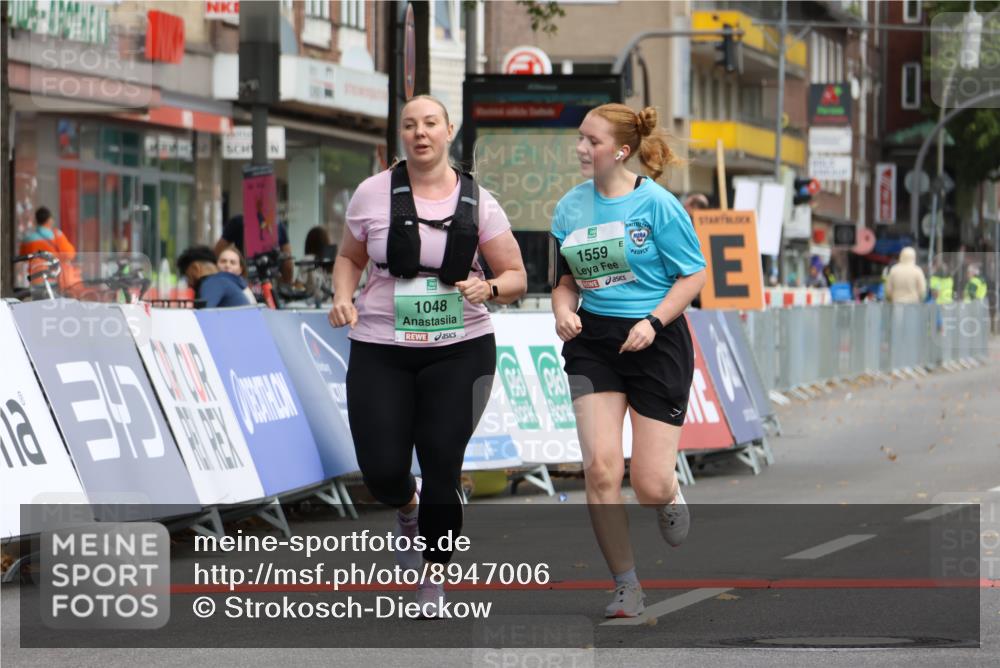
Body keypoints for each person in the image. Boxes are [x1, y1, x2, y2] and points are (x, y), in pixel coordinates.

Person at [327, 95, 526, 617]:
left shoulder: (480, 201)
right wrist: (342, 296)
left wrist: (493, 289)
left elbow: (516, 276)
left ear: (448, 130)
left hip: (461, 349)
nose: (420, 133)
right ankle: (407, 509)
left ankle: (433, 579)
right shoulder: (372, 193)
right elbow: (349, 257)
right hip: (380, 346)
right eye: (410, 125)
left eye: (430, 123)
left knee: (442, 462)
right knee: (383, 472)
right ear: (401, 135)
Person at [550, 103, 706, 618]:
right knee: (599, 468)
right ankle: (626, 585)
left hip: (655, 341)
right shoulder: (569, 208)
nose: (580, 148)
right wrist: (562, 312)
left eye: (590, 141)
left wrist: (654, 322)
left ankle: (668, 493)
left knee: (648, 483)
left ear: (619, 150)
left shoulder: (658, 206)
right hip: (593, 343)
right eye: (580, 138)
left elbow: (692, 276)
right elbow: (565, 281)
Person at [18, 206, 83, 295]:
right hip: (54, 279)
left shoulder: (27, 239)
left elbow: (23, 257)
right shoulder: (56, 235)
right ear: (49, 220)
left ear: (36, 220)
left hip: (35, 279)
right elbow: (70, 254)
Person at [214, 214, 294, 285]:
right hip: (270, 282)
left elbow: (216, 253)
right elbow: (288, 263)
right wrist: (287, 286)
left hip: (246, 279)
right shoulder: (277, 224)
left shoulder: (238, 222)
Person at [177, 245, 252, 308]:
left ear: (196, 268)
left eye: (188, 276)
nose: (189, 283)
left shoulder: (212, 283)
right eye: (223, 261)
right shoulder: (224, 281)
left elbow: (203, 315)